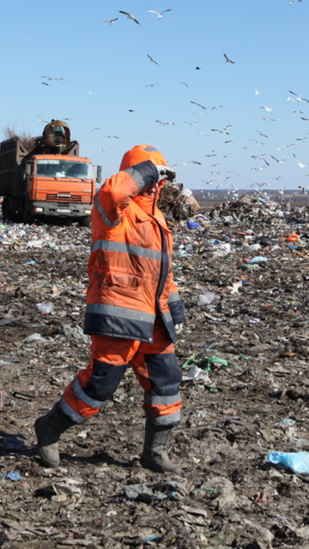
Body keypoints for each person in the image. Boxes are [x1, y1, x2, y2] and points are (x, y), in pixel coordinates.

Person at [34, 145, 186, 472]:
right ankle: (50, 427)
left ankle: (155, 452)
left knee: (166, 381)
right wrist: (149, 171)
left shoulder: (157, 219)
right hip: (119, 314)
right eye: (151, 175)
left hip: (154, 318)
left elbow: (163, 272)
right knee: (99, 384)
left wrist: (175, 309)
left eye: (160, 176)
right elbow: (117, 190)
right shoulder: (111, 209)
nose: (157, 184)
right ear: (135, 172)